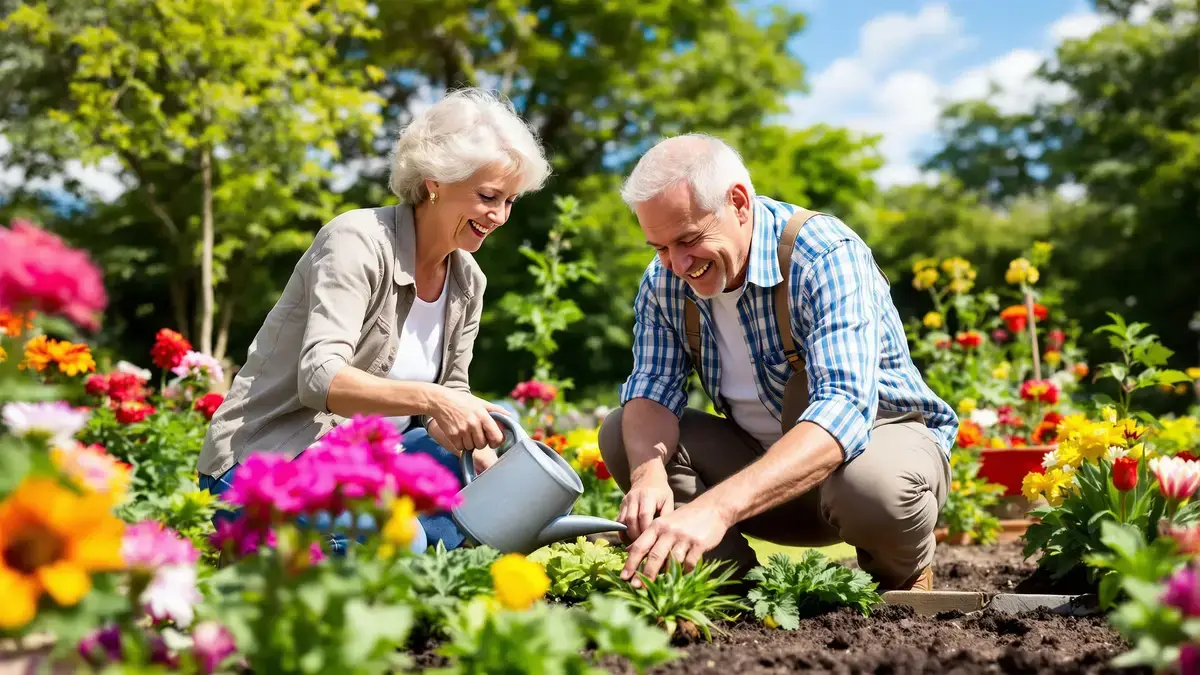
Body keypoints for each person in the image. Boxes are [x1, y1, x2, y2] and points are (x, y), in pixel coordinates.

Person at [195, 87, 552, 554]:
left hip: (370, 464)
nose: (499, 216)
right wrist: (437, 399)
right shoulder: (357, 240)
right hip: (267, 465)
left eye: (510, 201)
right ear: (435, 181)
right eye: (488, 196)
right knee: (404, 540)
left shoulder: (468, 280)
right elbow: (319, 378)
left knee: (491, 516)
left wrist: (479, 445)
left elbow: (447, 401)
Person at [600, 133, 959, 592]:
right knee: (623, 434)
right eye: (660, 247)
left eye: (688, 239)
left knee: (873, 490)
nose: (677, 263)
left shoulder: (824, 255)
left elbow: (843, 410)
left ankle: (902, 581)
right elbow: (652, 387)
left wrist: (715, 507)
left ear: (738, 203)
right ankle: (727, 590)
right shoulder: (664, 281)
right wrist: (648, 477)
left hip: (866, 464)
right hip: (763, 480)